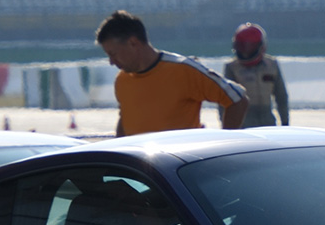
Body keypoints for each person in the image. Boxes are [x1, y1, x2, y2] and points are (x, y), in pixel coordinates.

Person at [95, 11, 247, 137]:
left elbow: (238, 99)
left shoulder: (184, 69)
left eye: (113, 54)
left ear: (133, 43)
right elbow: (125, 121)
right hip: (142, 169)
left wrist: (225, 143)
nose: (111, 62)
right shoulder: (122, 80)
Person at [222, 22, 289, 129]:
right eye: (242, 48)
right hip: (243, 126)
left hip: (268, 124)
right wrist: (226, 128)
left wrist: (285, 123)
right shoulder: (232, 68)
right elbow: (224, 100)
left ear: (260, 47)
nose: (245, 53)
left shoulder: (272, 65)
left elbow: (281, 96)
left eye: (249, 49)